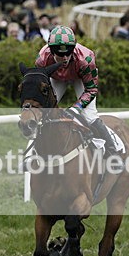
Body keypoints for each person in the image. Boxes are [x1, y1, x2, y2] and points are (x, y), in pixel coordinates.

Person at [35, 25, 119, 158]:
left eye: (68, 52)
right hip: (57, 77)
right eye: (60, 54)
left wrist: (76, 108)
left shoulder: (86, 60)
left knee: (89, 116)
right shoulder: (42, 60)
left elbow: (91, 89)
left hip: (80, 76)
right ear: (51, 51)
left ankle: (113, 152)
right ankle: (34, 153)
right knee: (42, 112)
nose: (65, 58)